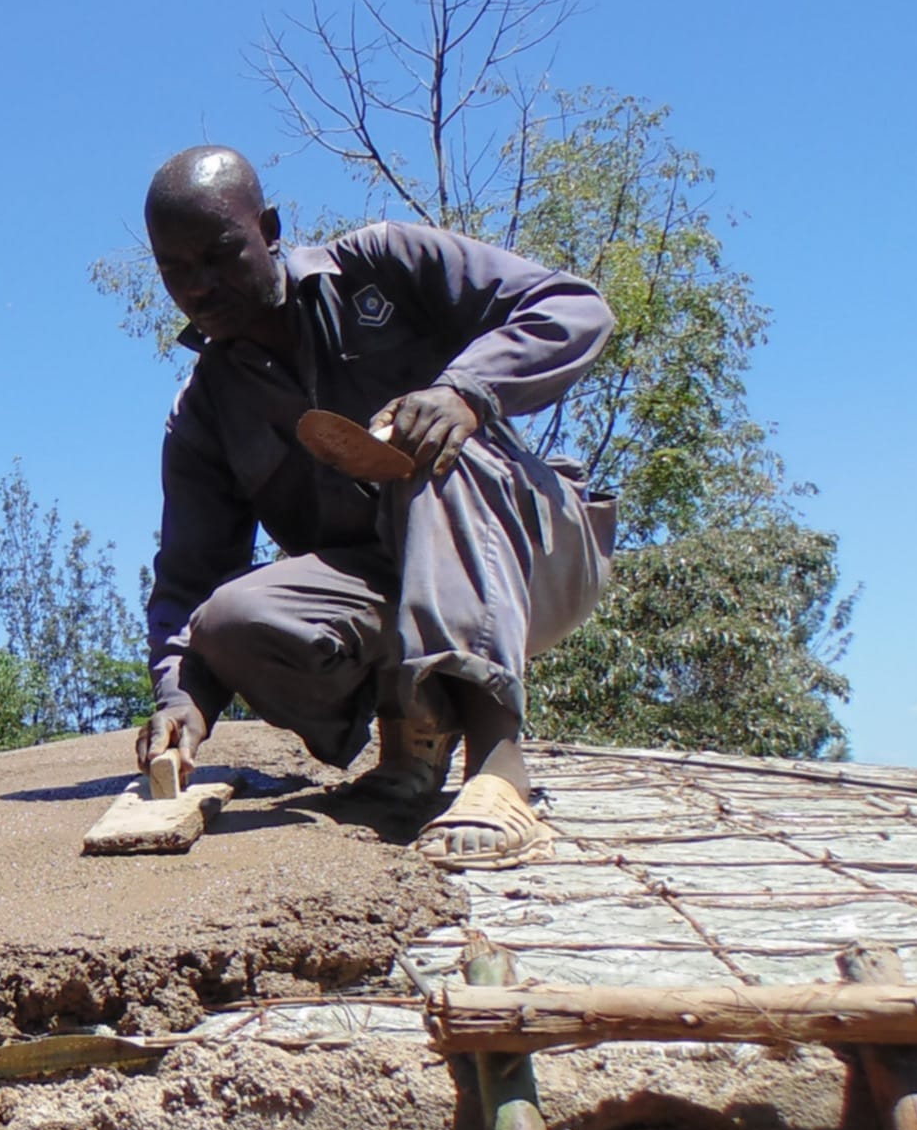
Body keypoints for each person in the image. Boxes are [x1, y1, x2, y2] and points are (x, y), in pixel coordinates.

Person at [131, 147, 615, 867]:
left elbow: (573, 307)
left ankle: (496, 766)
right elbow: (189, 581)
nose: (200, 286)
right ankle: (410, 748)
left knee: (431, 447)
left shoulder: (383, 265)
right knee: (227, 621)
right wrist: (183, 696)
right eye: (175, 270)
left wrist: (467, 392)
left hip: (532, 558)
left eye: (220, 254)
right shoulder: (206, 411)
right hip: (389, 585)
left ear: (267, 229)